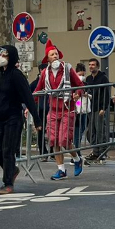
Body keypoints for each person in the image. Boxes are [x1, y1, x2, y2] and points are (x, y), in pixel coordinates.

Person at [0, 45, 38, 194]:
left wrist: (37, 120)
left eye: (5, 55)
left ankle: (8, 183)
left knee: (7, 150)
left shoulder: (16, 75)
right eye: (0, 54)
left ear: (12, 57)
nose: (1, 58)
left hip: (13, 118)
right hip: (0, 117)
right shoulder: (1, 74)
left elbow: (28, 97)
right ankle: (12, 170)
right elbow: (2, 95)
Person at [33, 40, 85, 180]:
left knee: (64, 140)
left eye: (56, 54)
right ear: (48, 58)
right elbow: (38, 90)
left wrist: (77, 93)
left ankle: (77, 158)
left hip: (67, 109)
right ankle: (61, 170)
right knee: (54, 140)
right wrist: (29, 106)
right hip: (54, 110)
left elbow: (80, 85)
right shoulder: (45, 72)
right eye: (52, 54)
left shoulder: (67, 68)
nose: (55, 56)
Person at [83, 58, 111, 159]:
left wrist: (104, 108)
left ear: (97, 66)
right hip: (90, 107)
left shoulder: (103, 78)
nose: (91, 66)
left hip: (99, 108)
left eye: (93, 65)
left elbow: (106, 94)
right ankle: (95, 151)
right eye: (89, 65)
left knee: (100, 131)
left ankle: (103, 152)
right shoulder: (88, 79)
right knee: (92, 131)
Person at [73, 62, 89, 151]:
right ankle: (76, 149)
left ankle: (76, 147)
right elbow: (76, 100)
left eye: (83, 74)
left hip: (85, 108)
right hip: (78, 108)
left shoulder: (85, 83)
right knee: (77, 130)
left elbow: (89, 93)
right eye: (79, 74)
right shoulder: (73, 84)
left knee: (83, 128)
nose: (81, 76)